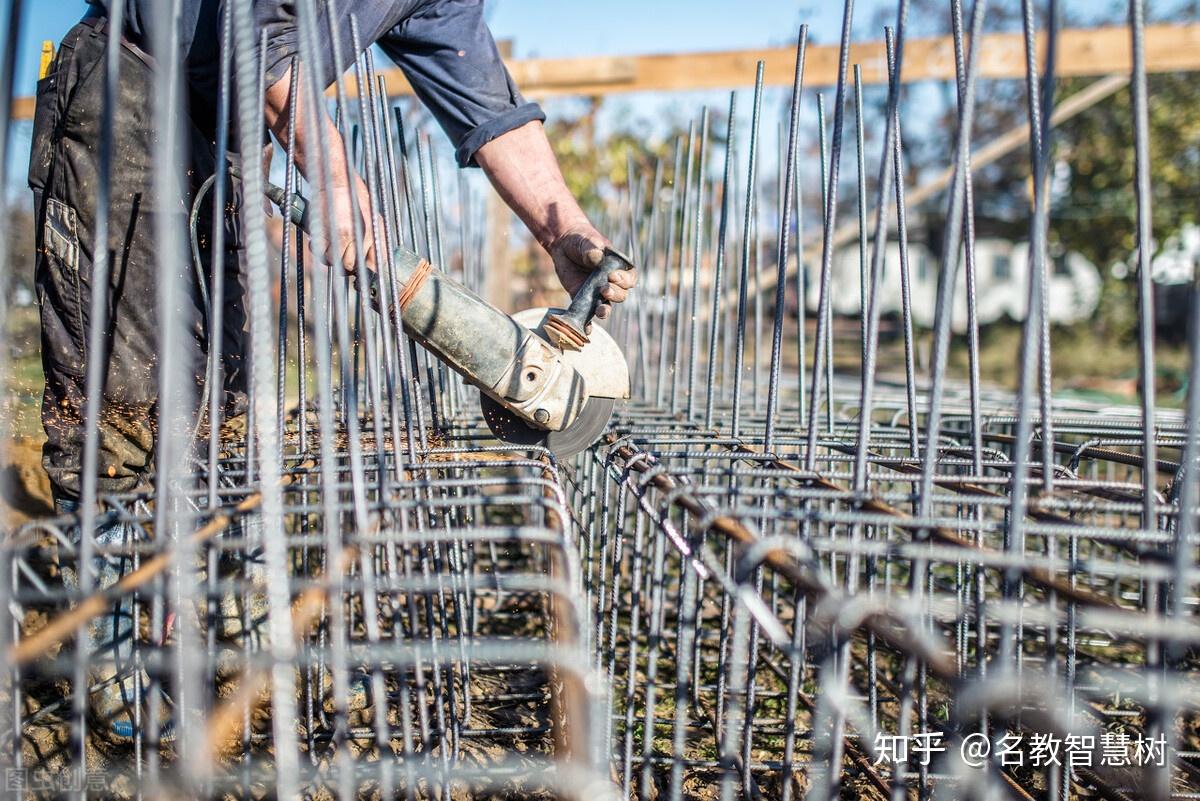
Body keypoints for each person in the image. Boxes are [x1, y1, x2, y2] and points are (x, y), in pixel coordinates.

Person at [29, 0, 635, 742]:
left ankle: (215, 642)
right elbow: (250, 28)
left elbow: (481, 93)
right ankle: (119, 662)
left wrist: (562, 225)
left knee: (229, 404)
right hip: (133, 85)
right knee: (126, 405)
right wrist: (337, 176)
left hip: (232, 125)